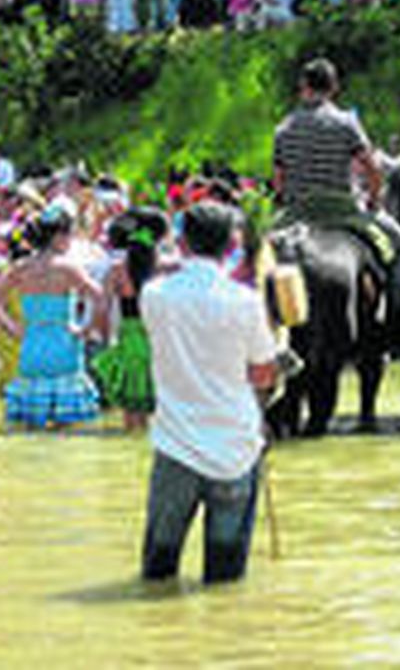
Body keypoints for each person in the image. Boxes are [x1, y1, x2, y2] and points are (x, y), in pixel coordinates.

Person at [139, 201, 278, 586]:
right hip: (235, 446)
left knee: (157, 572)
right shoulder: (245, 301)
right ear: (232, 244)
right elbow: (264, 374)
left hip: (175, 445)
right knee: (225, 580)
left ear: (182, 243)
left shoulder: (155, 295)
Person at [271, 58, 399, 275]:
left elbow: (278, 180)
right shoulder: (346, 123)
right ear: (334, 87)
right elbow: (372, 169)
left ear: (303, 85)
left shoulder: (283, 129)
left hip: (298, 211)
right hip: (343, 209)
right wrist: (374, 200)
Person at [0, 201, 105, 429]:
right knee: (67, 423)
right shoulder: (67, 268)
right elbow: (99, 297)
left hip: (32, 342)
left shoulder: (21, 268)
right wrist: (85, 328)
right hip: (64, 340)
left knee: (31, 419)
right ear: (57, 237)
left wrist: (12, 328)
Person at [92, 208, 170, 431]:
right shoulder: (165, 268)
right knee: (154, 405)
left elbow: (102, 310)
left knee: (131, 403)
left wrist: (105, 340)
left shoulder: (117, 270)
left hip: (129, 337)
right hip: (157, 338)